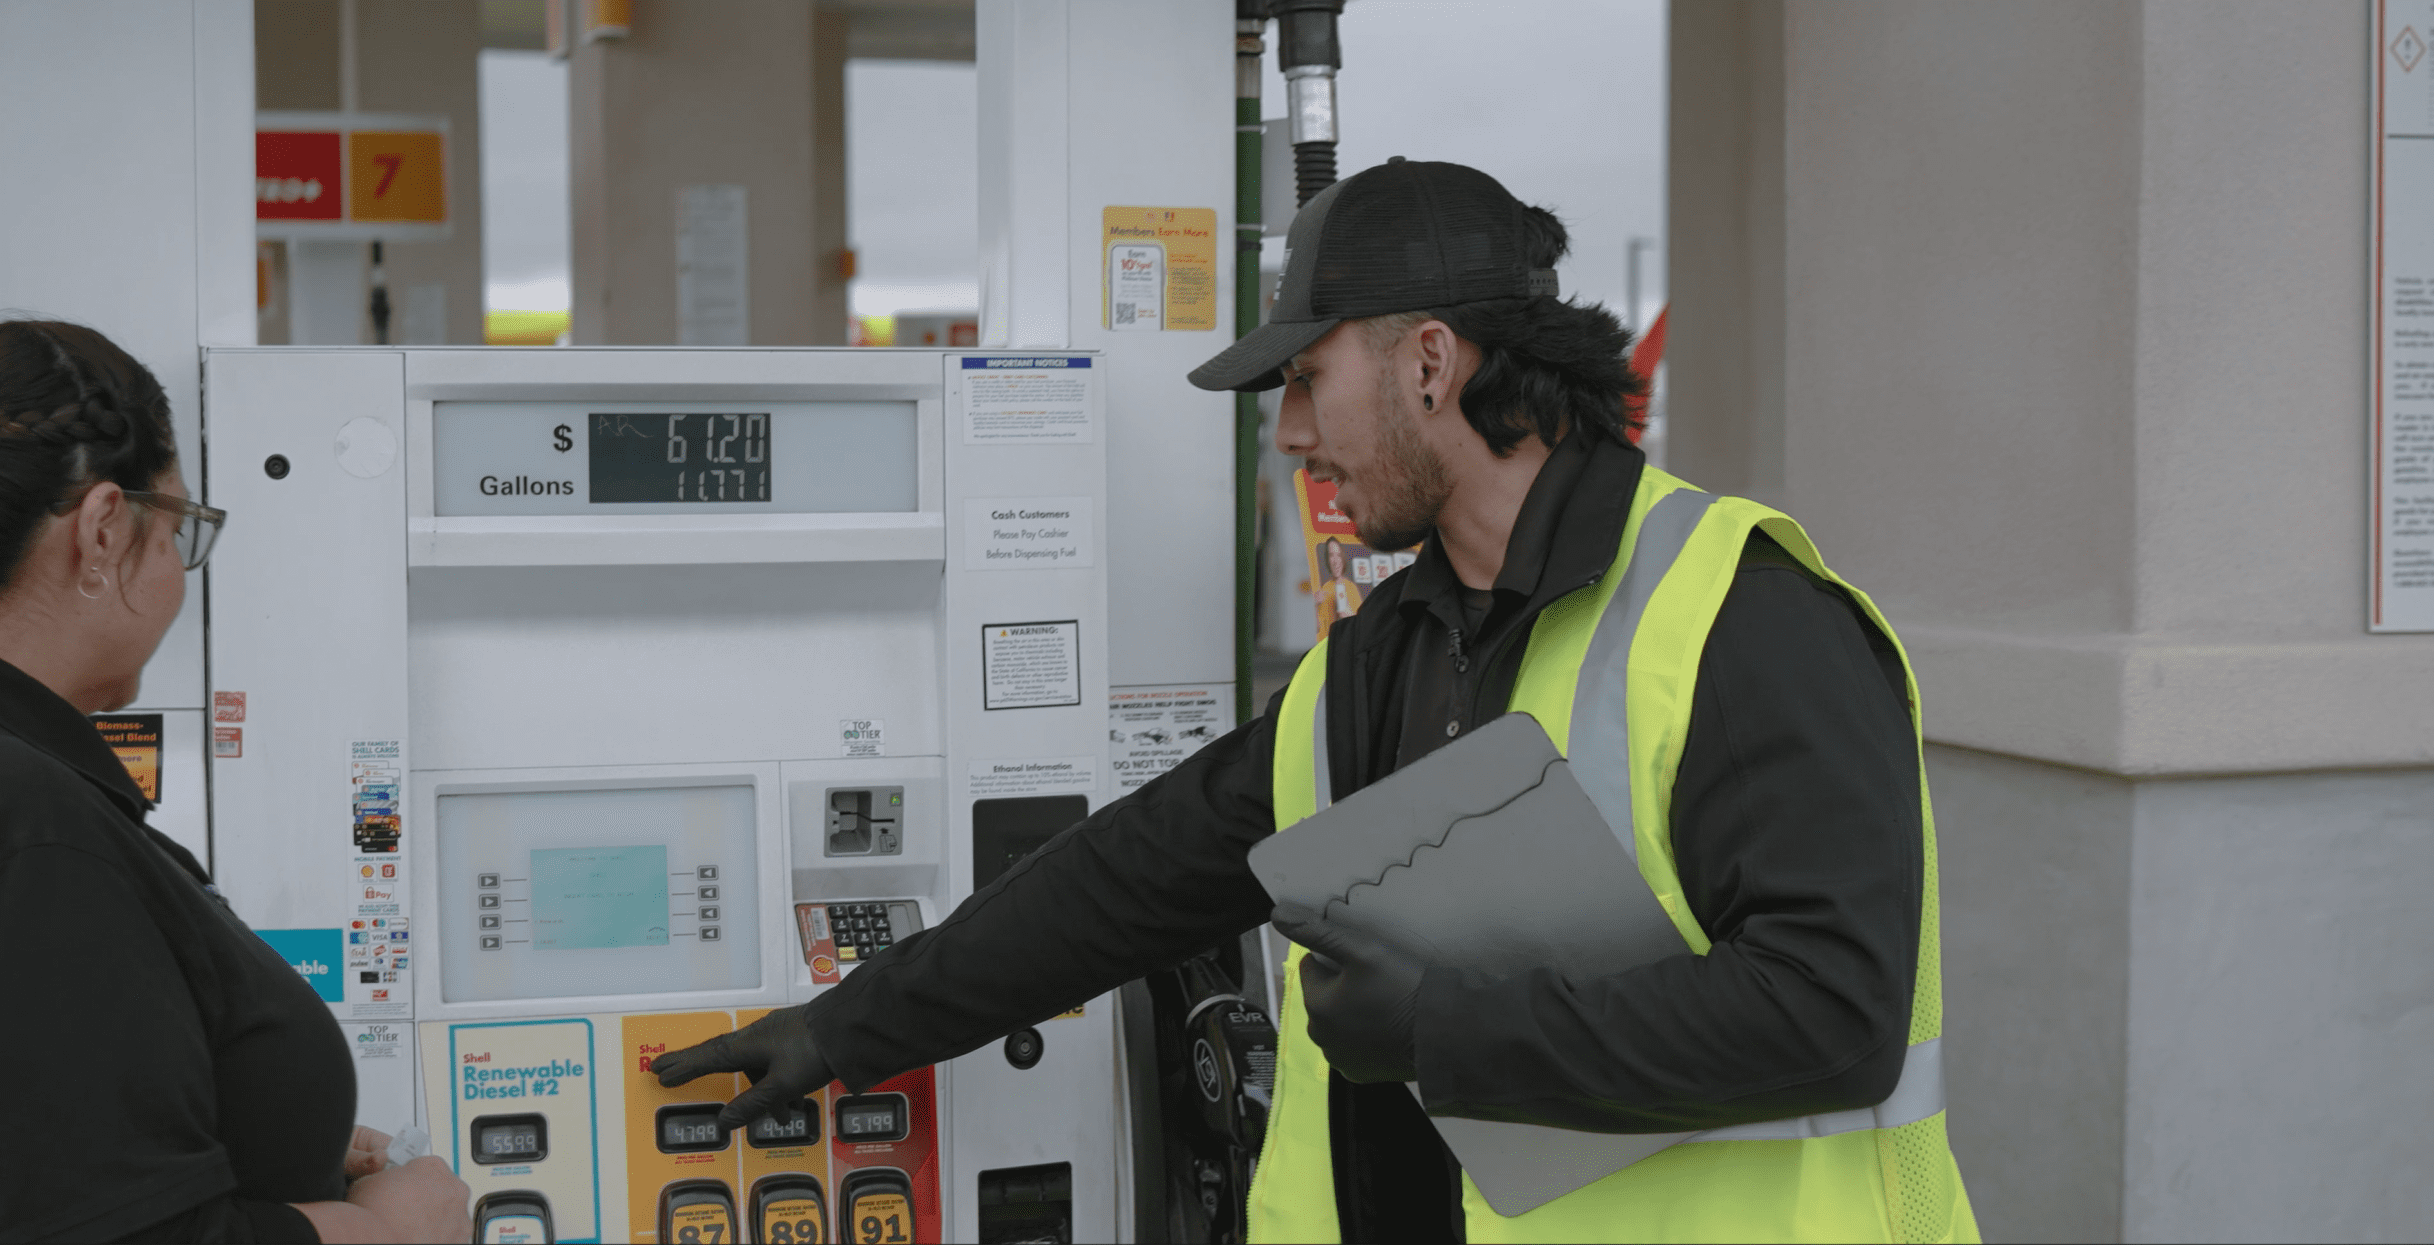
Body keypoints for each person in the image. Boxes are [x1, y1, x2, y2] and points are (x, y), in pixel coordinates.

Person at [655, 160, 1977, 1242]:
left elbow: (1834, 1010)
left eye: (1306, 377)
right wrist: (839, 1031)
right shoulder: (1377, 663)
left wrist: (1448, 1028)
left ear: (1430, 363)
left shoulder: (1740, 616)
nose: (1290, 432)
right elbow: (1125, 881)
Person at [0, 321, 471, 1243]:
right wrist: (396, 1232)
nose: (180, 574)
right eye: (179, 530)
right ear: (102, 530)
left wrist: (271, 1137)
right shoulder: (40, 828)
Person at [1313, 535, 1363, 629]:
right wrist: (1315, 606)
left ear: (1342, 558)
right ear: (1328, 560)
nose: (1336, 561)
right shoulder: (1325, 588)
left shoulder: (1351, 588)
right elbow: (1317, 628)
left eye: (1338, 555)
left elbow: (1362, 627)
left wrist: (1349, 615)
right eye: (1331, 555)